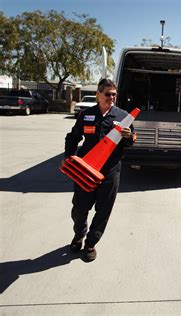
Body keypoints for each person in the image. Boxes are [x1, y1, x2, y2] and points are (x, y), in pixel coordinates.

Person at [62, 78, 136, 262]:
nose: (111, 97)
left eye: (114, 95)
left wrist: (128, 137)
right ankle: (79, 234)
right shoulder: (87, 114)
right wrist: (68, 157)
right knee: (80, 208)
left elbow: (131, 140)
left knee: (103, 210)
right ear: (98, 94)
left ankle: (90, 244)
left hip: (110, 171)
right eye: (108, 94)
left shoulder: (123, 116)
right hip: (85, 169)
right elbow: (73, 137)